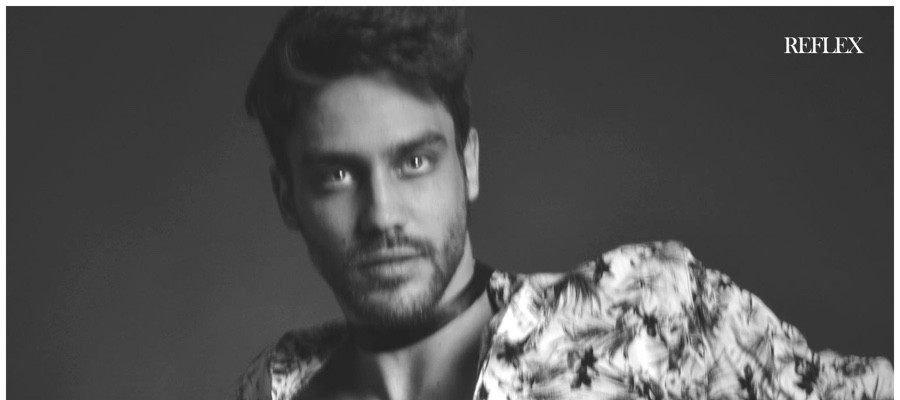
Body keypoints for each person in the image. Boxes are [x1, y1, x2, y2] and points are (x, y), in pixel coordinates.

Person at [238, 7, 892, 400]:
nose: (383, 214)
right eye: (337, 175)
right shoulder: (274, 387)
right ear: (287, 198)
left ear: (468, 164)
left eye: (414, 161)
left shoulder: (643, 315)